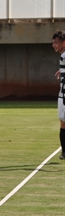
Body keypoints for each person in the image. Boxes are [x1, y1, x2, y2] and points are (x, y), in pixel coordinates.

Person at [51, 30, 65, 160]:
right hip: (63, 94)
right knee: (63, 122)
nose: (53, 45)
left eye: (56, 42)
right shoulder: (62, 56)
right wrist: (62, 71)